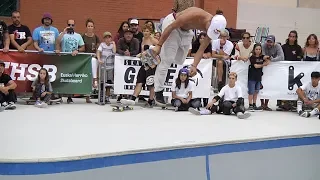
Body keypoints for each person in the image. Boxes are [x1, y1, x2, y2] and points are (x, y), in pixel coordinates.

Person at [151, 7, 227, 106]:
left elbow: (201, 49)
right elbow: (170, 27)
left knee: (180, 60)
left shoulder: (213, 28)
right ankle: (158, 92)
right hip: (172, 24)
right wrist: (159, 45)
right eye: (209, 29)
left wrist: (194, 66)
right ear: (210, 21)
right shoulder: (193, 15)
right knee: (167, 60)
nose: (209, 31)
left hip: (186, 31)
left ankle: (159, 55)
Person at [247, 44, 270, 111]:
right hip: (252, 76)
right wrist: (263, 64)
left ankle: (254, 104)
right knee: (251, 91)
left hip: (258, 77)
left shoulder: (262, 57)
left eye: (259, 49)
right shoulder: (252, 57)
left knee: (256, 91)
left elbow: (268, 61)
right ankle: (250, 104)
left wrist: (267, 58)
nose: (258, 51)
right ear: (254, 50)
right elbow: (256, 66)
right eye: (256, 49)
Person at [96, 31, 116, 104]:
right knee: (102, 82)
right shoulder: (102, 45)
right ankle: (101, 96)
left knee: (109, 82)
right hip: (103, 67)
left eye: (109, 37)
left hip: (110, 66)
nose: (108, 39)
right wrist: (99, 59)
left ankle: (107, 97)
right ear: (104, 39)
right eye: (106, 38)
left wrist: (114, 44)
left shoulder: (112, 45)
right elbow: (98, 52)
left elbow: (114, 51)